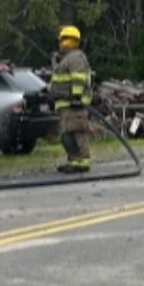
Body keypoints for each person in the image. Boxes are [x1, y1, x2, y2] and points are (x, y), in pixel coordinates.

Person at [51, 25, 94, 174]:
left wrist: (76, 96)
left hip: (74, 104)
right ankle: (74, 161)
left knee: (75, 133)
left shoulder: (75, 57)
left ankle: (82, 162)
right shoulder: (67, 58)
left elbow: (79, 77)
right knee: (67, 135)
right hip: (65, 104)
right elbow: (61, 79)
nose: (63, 43)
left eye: (65, 40)